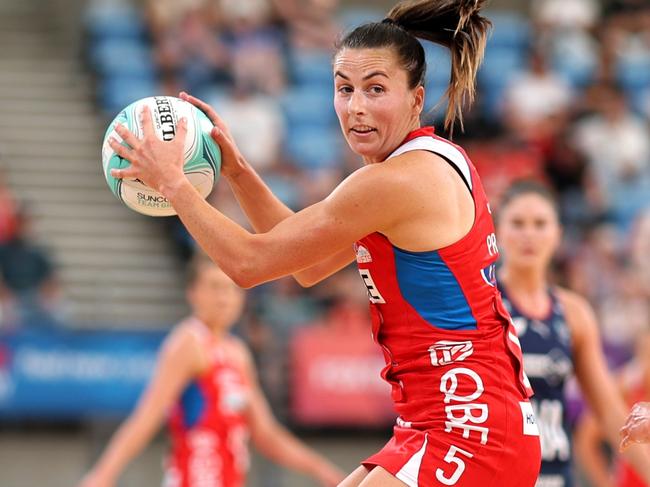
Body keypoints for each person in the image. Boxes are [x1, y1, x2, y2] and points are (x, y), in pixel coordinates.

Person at [106, 1, 544, 485]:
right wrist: (237, 171)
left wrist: (174, 183)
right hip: (443, 424)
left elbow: (248, 264)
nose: (356, 107)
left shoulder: (397, 182)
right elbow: (306, 266)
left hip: (469, 429)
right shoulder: (409, 168)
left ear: (417, 100)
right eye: (344, 89)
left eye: (376, 90)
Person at [78, 257, 343, 487]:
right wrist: (104, 474)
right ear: (192, 293)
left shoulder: (237, 351)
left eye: (232, 289)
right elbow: (147, 416)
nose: (224, 298)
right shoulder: (188, 342)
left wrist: (319, 467)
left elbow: (266, 433)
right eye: (215, 287)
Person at [495, 180, 650, 487]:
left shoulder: (573, 312)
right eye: (518, 223)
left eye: (540, 224)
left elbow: (608, 411)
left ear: (558, 234)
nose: (529, 234)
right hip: (498, 475)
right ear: (498, 230)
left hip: (555, 476)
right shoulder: (480, 303)